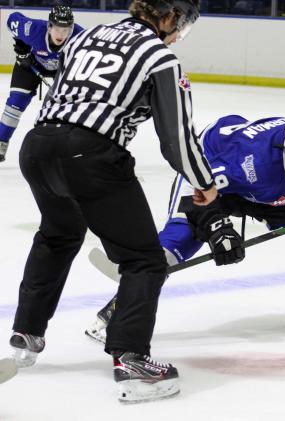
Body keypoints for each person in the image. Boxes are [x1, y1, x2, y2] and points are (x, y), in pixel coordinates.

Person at [9, 0, 216, 403]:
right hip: (90, 156)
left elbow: (55, 81)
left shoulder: (89, 36)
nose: (180, 33)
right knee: (144, 259)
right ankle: (132, 359)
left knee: (58, 234)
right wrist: (203, 182)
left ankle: (26, 332)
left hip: (37, 147)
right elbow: (176, 138)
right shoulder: (160, 57)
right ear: (170, 16)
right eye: (183, 23)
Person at [85, 105, 285, 343]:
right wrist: (216, 226)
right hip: (210, 174)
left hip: (271, 190)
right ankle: (124, 303)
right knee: (178, 243)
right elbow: (197, 190)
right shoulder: (252, 159)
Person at [0, 5, 84, 163]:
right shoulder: (33, 29)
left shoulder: (80, 37)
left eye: (65, 30)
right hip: (30, 66)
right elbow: (12, 18)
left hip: (61, 71)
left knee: (61, 108)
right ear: (49, 26)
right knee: (15, 103)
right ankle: (1, 142)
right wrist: (21, 45)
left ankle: (57, 148)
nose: (61, 34)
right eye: (58, 29)